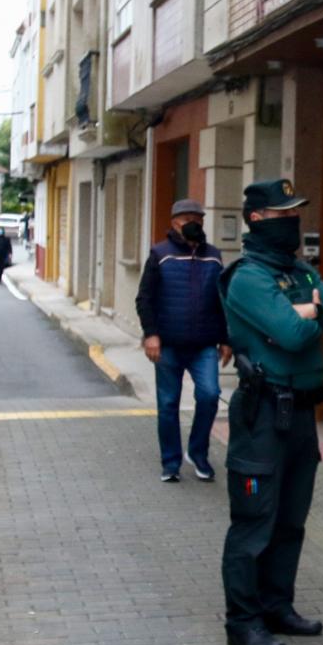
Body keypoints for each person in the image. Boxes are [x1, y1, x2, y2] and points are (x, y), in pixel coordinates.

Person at [219, 178, 323, 645]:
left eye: (294, 213)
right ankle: (243, 621)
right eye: (283, 215)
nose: (293, 223)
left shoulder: (298, 271)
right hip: (262, 417)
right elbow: (294, 335)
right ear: (256, 219)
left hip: (299, 415)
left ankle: (278, 606)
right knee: (254, 522)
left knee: (291, 520)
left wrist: (309, 308)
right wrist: (310, 312)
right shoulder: (249, 278)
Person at [137, 198, 232, 483]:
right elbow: (145, 298)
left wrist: (226, 338)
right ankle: (171, 462)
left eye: (197, 217)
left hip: (204, 345)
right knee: (168, 404)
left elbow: (223, 300)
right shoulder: (160, 254)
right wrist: (151, 334)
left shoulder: (214, 256)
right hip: (167, 344)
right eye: (186, 218)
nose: (193, 222)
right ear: (173, 223)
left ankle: (198, 452)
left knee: (209, 394)